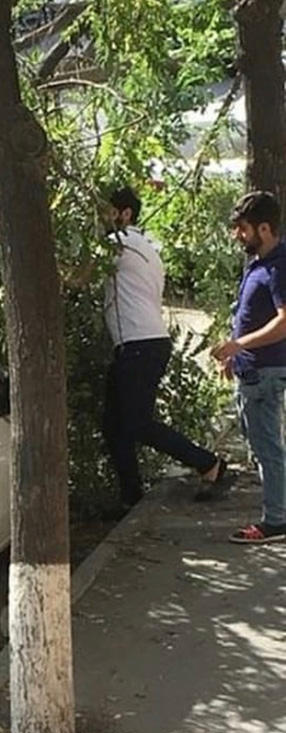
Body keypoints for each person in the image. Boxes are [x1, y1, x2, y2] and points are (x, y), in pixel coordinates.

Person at [101, 186, 228, 514]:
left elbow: (76, 274)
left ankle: (209, 463)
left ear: (124, 213)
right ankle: (131, 497)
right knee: (115, 425)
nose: (99, 218)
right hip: (141, 344)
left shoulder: (121, 242)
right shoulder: (144, 246)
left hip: (140, 345)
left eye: (104, 210)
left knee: (137, 423)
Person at [211, 191, 286, 544]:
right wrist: (234, 355)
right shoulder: (261, 264)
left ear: (265, 228)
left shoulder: (278, 267)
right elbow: (252, 316)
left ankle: (276, 521)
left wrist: (239, 345)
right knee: (261, 445)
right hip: (253, 371)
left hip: (265, 373)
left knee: (267, 447)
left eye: (243, 229)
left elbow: (284, 324)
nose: (237, 235)